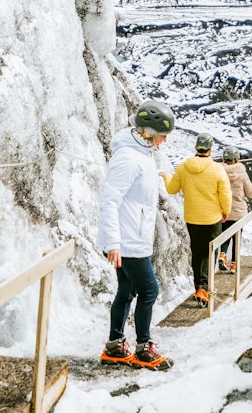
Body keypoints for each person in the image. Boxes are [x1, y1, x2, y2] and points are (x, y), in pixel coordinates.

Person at [97, 100, 175, 371]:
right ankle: (144, 348)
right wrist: (114, 243)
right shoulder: (129, 158)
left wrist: (148, 233)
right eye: (163, 134)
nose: (165, 140)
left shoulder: (141, 153)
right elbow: (110, 201)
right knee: (149, 290)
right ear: (149, 131)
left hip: (133, 237)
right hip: (126, 241)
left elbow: (140, 201)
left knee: (127, 290)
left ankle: (116, 345)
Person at [161, 133, 231, 307]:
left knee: (197, 252)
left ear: (195, 148)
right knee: (209, 253)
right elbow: (225, 194)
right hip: (212, 218)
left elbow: (171, 189)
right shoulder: (217, 168)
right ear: (210, 149)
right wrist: (225, 212)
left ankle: (198, 286)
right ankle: (204, 289)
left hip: (192, 218)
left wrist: (165, 177)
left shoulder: (184, 167)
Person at [218, 145, 252, 273]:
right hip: (238, 212)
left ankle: (223, 255)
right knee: (237, 237)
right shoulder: (241, 173)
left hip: (223, 211)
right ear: (237, 159)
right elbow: (250, 192)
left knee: (225, 234)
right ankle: (234, 265)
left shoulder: (218, 172)